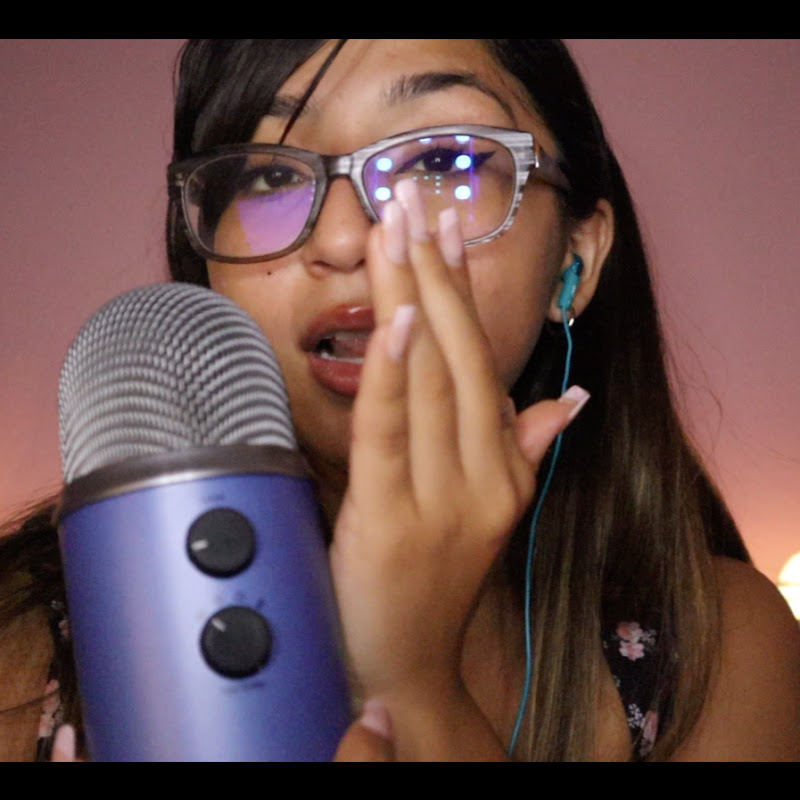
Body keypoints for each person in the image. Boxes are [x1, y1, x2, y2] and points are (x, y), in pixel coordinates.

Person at [1, 38, 798, 762]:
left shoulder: (717, 654)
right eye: (270, 174)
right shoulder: (21, 647)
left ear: (576, 259)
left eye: (442, 161)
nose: (345, 239)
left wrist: (410, 680)